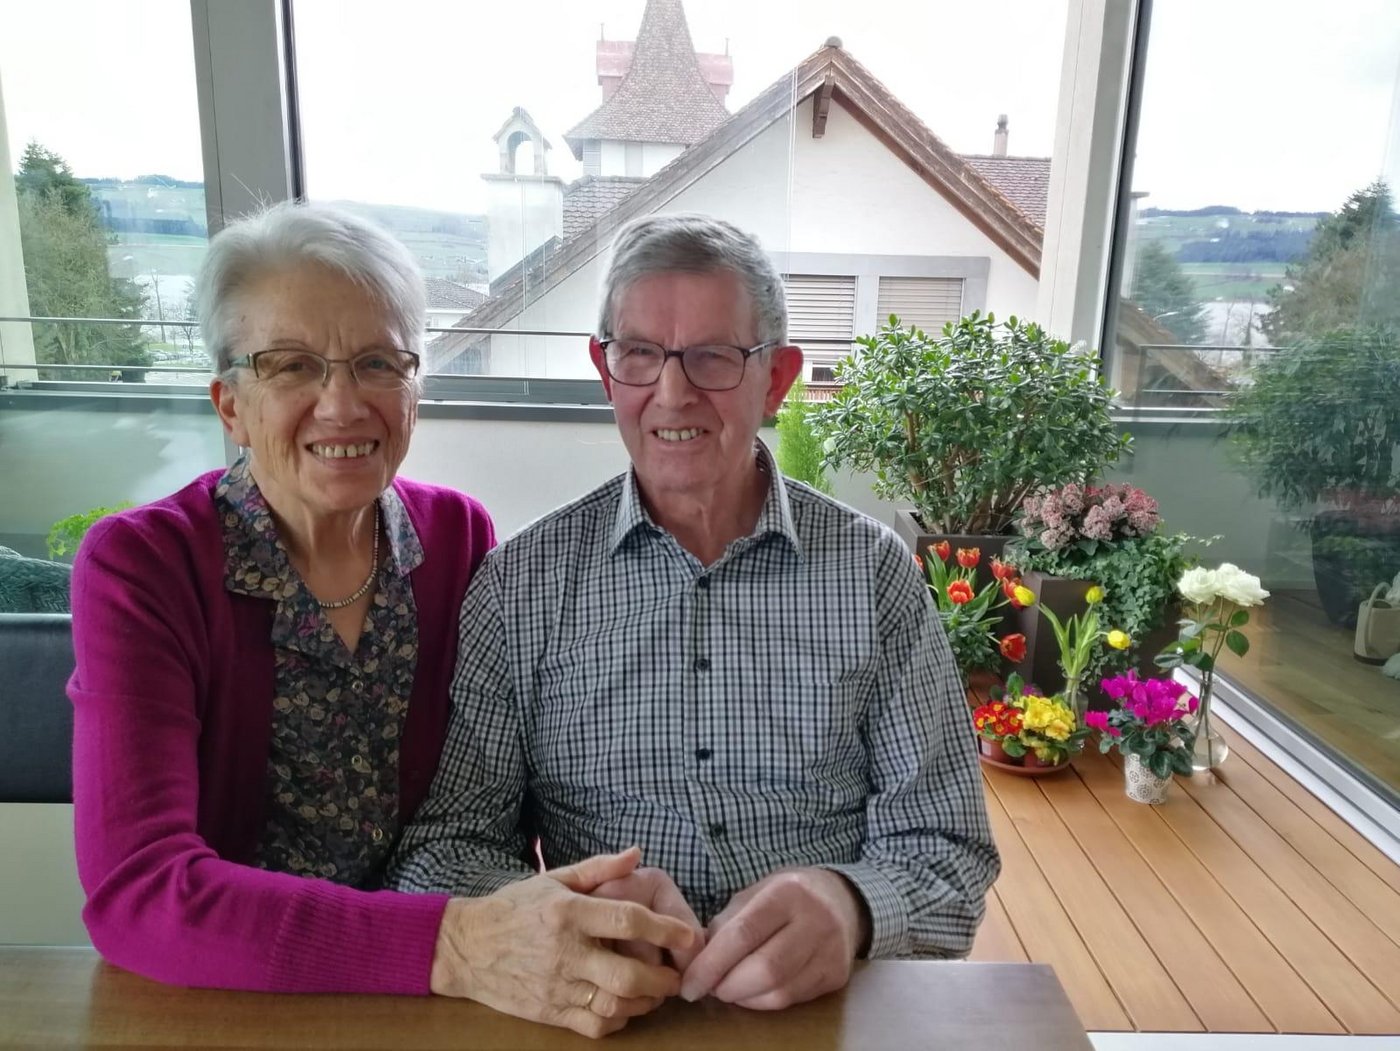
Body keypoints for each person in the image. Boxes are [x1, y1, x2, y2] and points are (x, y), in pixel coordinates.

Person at [68, 201, 696, 1037]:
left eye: (376, 362)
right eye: (291, 365)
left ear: (414, 389)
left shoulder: (457, 538)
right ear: (229, 403)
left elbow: (487, 807)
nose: (341, 405)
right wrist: (453, 944)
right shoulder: (145, 566)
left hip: (447, 1008)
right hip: (232, 1001)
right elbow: (139, 890)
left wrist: (587, 896)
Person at [390, 213, 1000, 1012]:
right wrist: (565, 915)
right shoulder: (520, 585)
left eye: (713, 356)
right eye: (640, 353)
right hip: (600, 1013)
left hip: (821, 1014)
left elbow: (948, 849)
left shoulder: (872, 574)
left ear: (776, 378)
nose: (672, 393)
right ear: (606, 371)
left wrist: (850, 907)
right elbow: (445, 850)